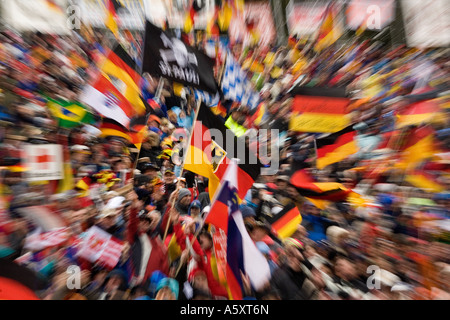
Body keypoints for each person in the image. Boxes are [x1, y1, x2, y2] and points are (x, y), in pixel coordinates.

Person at [126, 190, 169, 287]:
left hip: (156, 285)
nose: (145, 222)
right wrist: (133, 207)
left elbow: (164, 262)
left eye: (147, 221)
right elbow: (132, 224)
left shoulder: (157, 239)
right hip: (140, 284)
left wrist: (166, 280)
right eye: (142, 220)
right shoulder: (135, 236)